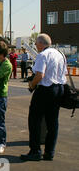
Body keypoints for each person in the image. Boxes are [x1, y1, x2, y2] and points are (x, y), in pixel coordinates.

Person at [21, 33, 67, 161]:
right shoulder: (60, 54)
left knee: (35, 120)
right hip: (59, 89)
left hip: (45, 89)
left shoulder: (43, 55)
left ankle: (35, 151)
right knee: (53, 122)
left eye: (36, 43)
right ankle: (49, 152)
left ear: (41, 44)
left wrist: (31, 85)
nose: (36, 45)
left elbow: (39, 75)